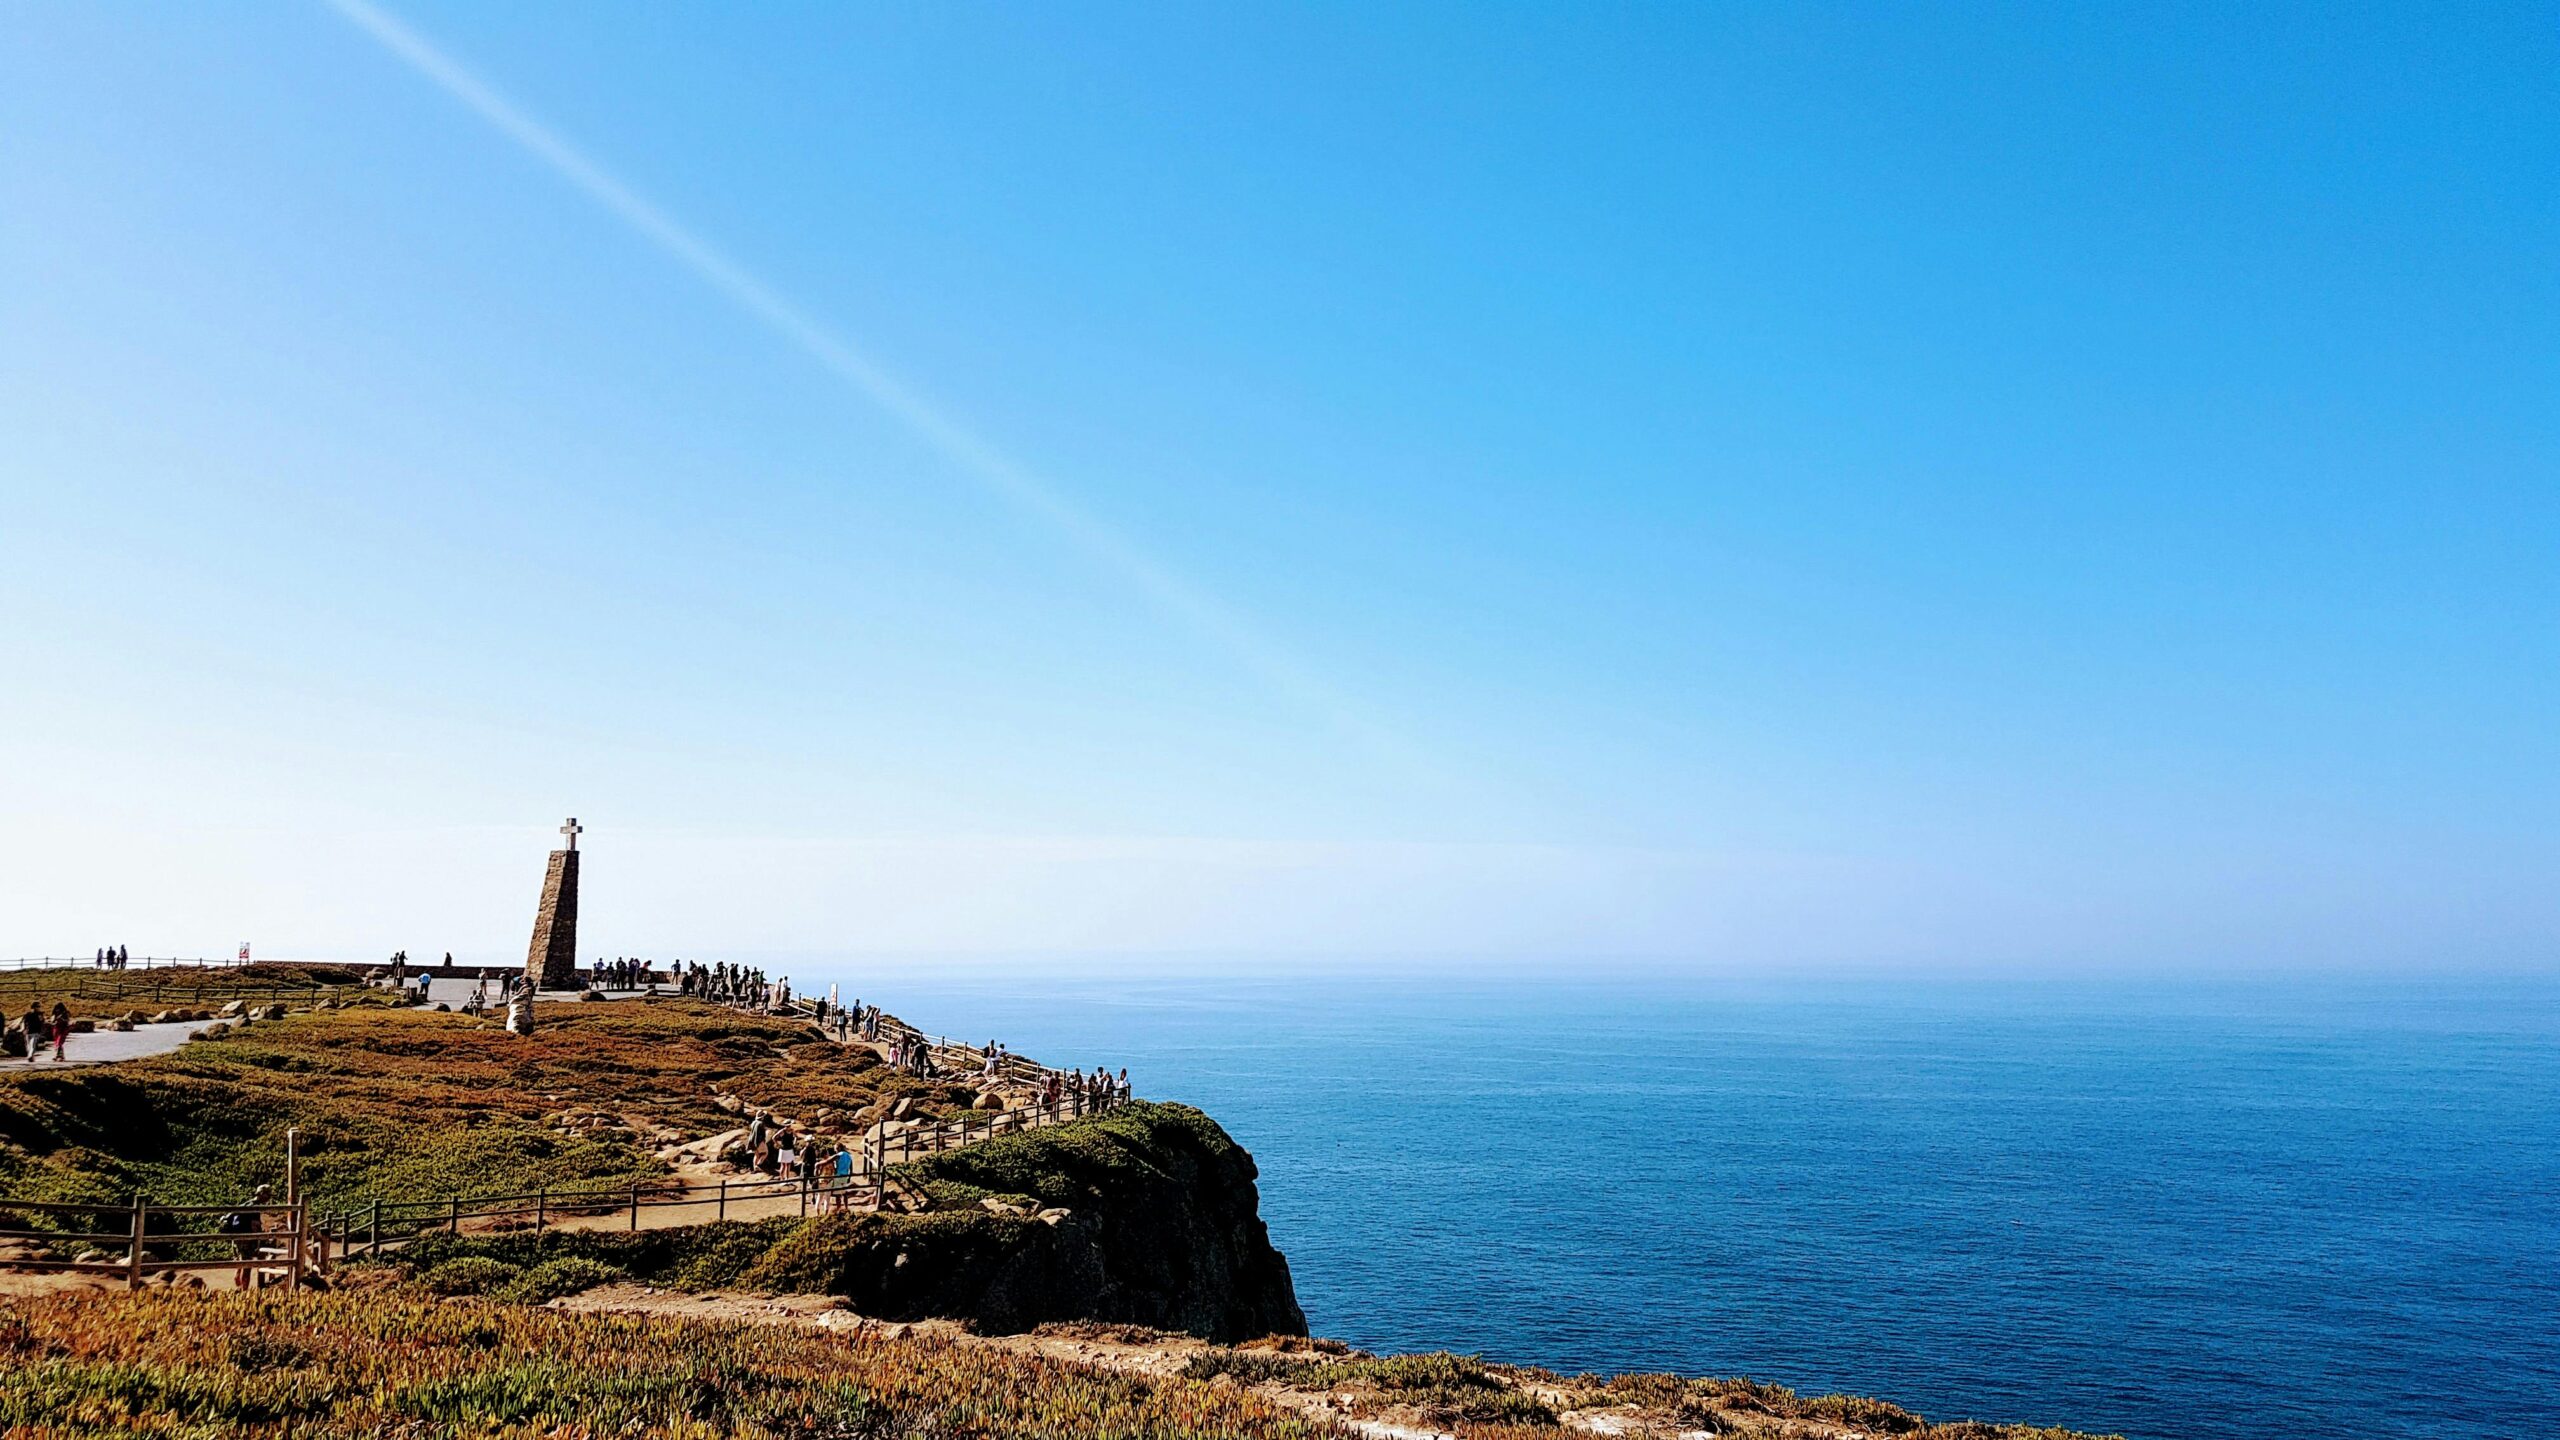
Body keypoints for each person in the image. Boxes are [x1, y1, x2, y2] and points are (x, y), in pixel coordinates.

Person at [223, 1185, 274, 1289]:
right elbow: (254, 1225)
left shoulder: (247, 1203)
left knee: (242, 1261)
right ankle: (244, 1290)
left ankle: (238, 1282)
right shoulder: (255, 1207)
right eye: (267, 1194)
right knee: (247, 1265)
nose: (269, 1197)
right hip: (246, 1239)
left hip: (237, 1237)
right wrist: (261, 1237)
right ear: (261, 1194)